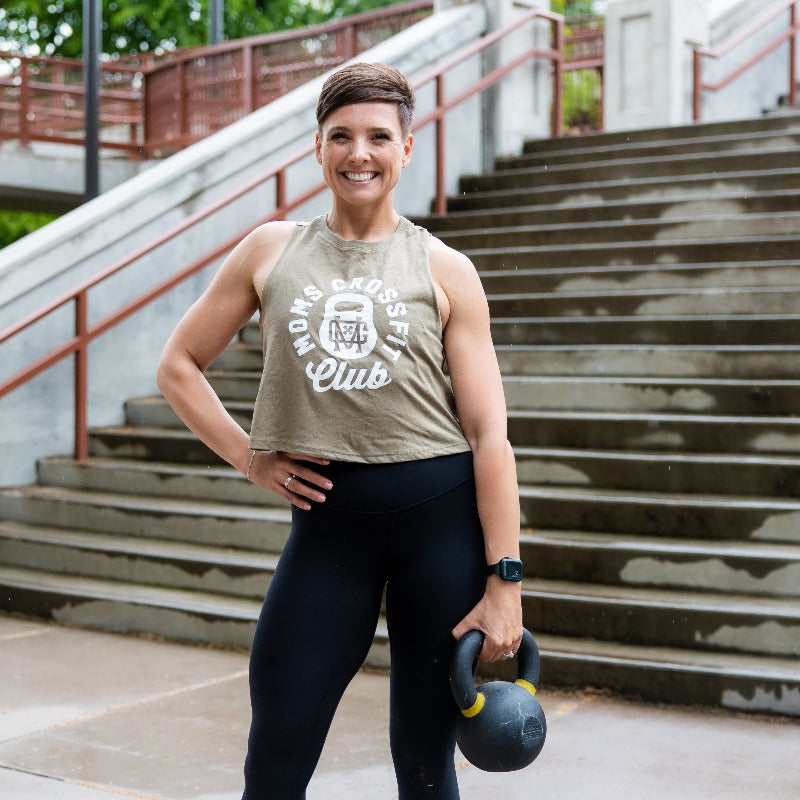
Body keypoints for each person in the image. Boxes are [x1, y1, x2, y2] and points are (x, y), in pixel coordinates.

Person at [156, 61, 523, 800]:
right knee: (276, 757)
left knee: (426, 763)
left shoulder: (446, 269)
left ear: (407, 149)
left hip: (440, 533)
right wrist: (248, 457)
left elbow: (489, 436)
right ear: (317, 148)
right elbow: (178, 366)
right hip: (327, 533)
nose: (361, 153)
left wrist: (505, 580)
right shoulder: (270, 251)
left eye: (379, 137)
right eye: (342, 136)